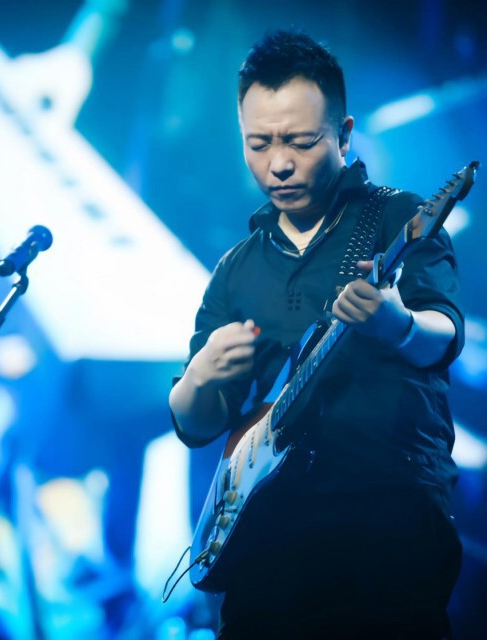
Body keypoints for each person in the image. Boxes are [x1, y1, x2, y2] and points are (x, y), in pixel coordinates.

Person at [169, 31, 464, 639]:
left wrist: (397, 324)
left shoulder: (396, 217)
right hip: (265, 552)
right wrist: (197, 379)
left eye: (301, 142)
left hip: (387, 533)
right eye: (258, 143)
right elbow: (198, 425)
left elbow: (444, 334)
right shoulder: (235, 269)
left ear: (344, 134)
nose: (278, 163)